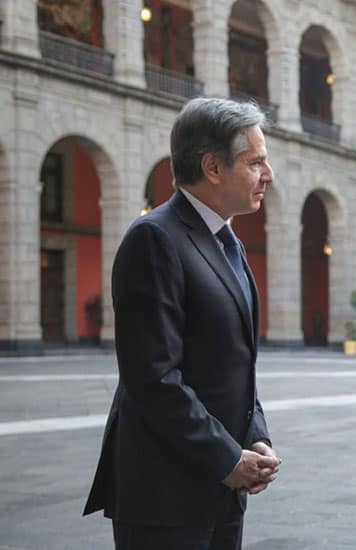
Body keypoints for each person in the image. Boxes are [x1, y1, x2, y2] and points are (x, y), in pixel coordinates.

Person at [84, 97, 282, 550]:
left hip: (223, 485)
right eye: (256, 162)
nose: (268, 175)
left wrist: (255, 438)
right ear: (213, 166)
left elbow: (235, 363)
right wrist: (228, 457)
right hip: (164, 494)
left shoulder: (227, 240)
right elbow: (153, 378)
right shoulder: (154, 238)